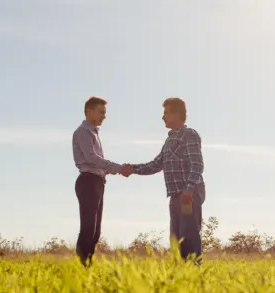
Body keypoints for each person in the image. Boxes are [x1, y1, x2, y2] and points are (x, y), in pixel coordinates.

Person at [120, 97, 206, 263]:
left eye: (166, 113)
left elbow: (197, 164)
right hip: (175, 194)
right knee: (176, 240)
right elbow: (156, 164)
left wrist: (189, 188)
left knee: (189, 237)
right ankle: (180, 278)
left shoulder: (189, 134)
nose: (163, 117)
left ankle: (194, 276)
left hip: (189, 193)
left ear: (177, 114)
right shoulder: (169, 140)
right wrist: (133, 169)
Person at [72, 96, 124, 267]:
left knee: (95, 231)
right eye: (101, 112)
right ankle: (82, 266)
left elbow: (94, 162)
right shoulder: (82, 132)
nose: (104, 116)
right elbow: (91, 158)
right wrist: (117, 167)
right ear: (89, 111)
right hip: (88, 182)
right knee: (88, 227)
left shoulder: (93, 132)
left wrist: (107, 170)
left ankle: (88, 265)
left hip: (97, 181)